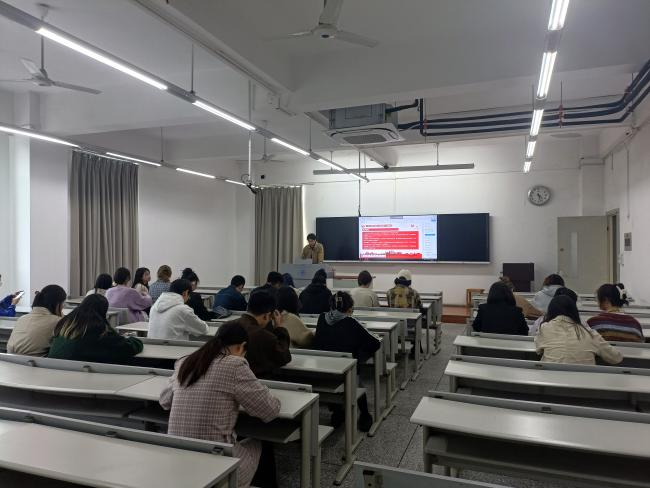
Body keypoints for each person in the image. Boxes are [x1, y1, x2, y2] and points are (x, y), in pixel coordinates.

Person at [159, 323, 281, 488]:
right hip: (217, 463)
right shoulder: (235, 365)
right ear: (242, 346)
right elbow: (270, 410)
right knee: (261, 442)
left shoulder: (186, 361)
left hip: (179, 457)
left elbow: (165, 401)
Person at [313, 291, 380, 432]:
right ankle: (365, 414)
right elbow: (375, 344)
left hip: (323, 372)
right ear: (349, 308)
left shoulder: (321, 318)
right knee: (355, 374)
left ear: (332, 306)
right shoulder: (351, 323)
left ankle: (338, 412)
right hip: (346, 375)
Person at [48, 294, 143, 364]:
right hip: (78, 374)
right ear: (103, 311)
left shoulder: (65, 323)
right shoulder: (98, 329)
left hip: (54, 370)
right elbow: (127, 348)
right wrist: (135, 340)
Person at [535, 295, 623, 365]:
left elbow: (538, 350)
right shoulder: (590, 333)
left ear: (550, 311)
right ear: (574, 311)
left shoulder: (544, 328)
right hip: (585, 381)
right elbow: (616, 358)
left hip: (551, 379)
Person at [227, 291, 291, 378]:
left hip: (226, 378)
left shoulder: (226, 326)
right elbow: (284, 357)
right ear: (266, 316)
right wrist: (279, 328)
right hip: (253, 380)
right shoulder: (264, 336)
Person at [7, 284, 67, 356]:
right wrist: (61, 317)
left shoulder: (22, 318)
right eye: (63, 303)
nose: (63, 307)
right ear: (58, 304)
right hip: (35, 362)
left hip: (9, 360)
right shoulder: (57, 321)